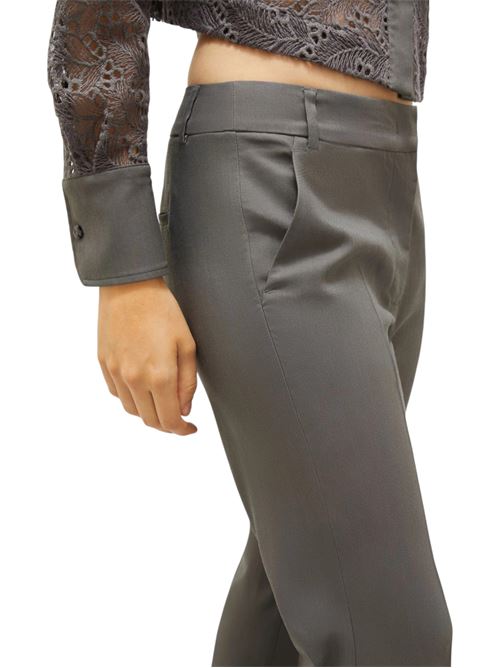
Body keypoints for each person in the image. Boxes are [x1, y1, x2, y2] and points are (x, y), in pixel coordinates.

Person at [47, 2, 452, 666]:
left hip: (390, 178)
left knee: (290, 595)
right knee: (396, 635)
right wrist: (125, 274)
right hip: (270, 177)